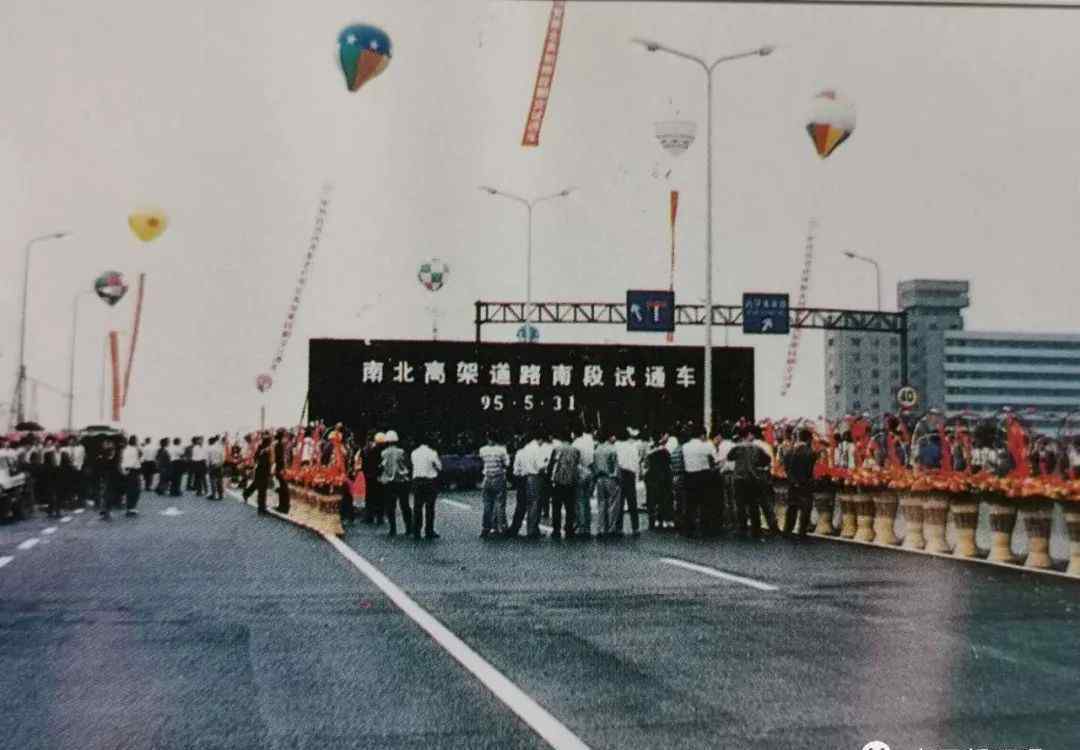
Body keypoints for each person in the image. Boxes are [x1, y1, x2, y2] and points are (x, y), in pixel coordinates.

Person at [728, 427, 776, 539]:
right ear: (749, 435)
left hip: (739, 479)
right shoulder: (757, 448)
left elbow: (729, 457)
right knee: (753, 505)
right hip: (752, 478)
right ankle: (756, 529)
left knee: (740, 505)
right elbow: (767, 460)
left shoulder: (736, 447)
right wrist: (757, 464)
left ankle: (742, 528)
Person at [681, 426, 714, 538]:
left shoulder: (685, 447)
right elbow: (713, 459)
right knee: (704, 503)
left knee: (690, 504)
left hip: (689, 475)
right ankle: (705, 528)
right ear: (702, 435)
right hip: (703, 475)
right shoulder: (705, 446)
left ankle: (689, 529)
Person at [782, 429, 816, 538]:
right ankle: (802, 532)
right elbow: (811, 470)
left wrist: (793, 480)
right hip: (805, 484)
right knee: (805, 509)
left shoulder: (789, 452)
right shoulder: (810, 453)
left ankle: (787, 531)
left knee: (791, 508)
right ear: (809, 439)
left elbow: (786, 469)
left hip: (792, 484)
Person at [547, 429, 581, 539]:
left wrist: (549, 479)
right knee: (570, 507)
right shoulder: (576, 450)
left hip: (558, 481)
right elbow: (576, 464)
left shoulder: (556, 449)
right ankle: (569, 529)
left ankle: (556, 530)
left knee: (556, 507)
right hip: (571, 481)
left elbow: (551, 465)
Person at [379, 431, 412, 536]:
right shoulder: (401, 452)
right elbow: (407, 464)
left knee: (390, 506)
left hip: (389, 482)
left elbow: (381, 466)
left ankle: (392, 529)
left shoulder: (383, 453)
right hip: (402, 481)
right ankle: (408, 528)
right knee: (405, 505)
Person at [478, 432, 510, 538]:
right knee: (500, 504)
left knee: (487, 504)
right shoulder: (502, 450)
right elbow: (507, 463)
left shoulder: (482, 450)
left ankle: (485, 527)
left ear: (488, 439)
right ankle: (501, 528)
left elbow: (482, 461)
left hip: (487, 478)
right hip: (498, 477)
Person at [410, 436, 442, 540]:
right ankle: (429, 530)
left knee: (417, 507)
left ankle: (416, 531)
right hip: (429, 481)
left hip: (417, 481)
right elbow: (439, 467)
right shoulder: (432, 453)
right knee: (430, 507)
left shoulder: (414, 453)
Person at [592, 432, 621, 538]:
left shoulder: (596, 450)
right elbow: (616, 466)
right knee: (613, 503)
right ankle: (611, 528)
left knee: (601, 504)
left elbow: (594, 465)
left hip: (599, 478)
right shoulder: (612, 450)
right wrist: (617, 478)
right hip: (610, 478)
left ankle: (601, 528)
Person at [614, 429, 642, 536]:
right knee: (632, 502)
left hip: (621, 473)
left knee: (619, 502)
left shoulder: (616, 446)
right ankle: (635, 527)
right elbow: (636, 462)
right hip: (631, 474)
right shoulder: (633, 446)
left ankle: (619, 527)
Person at [644, 434, 672, 530]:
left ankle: (653, 521)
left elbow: (646, 465)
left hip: (652, 478)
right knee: (663, 499)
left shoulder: (650, 453)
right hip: (663, 478)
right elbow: (669, 465)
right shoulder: (665, 451)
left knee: (652, 500)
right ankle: (663, 520)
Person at [572, 429, 596, 538]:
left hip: (580, 472)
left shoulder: (575, 444)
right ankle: (587, 526)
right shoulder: (590, 441)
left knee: (579, 501)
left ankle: (581, 527)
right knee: (587, 501)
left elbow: (575, 461)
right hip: (590, 472)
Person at [243, 436, 272, 514]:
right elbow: (262, 461)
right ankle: (261, 508)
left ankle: (246, 494)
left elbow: (256, 458)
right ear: (268, 443)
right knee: (262, 490)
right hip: (263, 472)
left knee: (256, 485)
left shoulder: (261, 449)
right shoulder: (264, 450)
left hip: (260, 471)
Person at [362, 432, 386, 525]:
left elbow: (364, 463)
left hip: (369, 476)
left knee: (369, 497)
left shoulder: (366, 449)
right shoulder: (381, 451)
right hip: (378, 476)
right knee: (380, 497)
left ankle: (369, 517)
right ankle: (379, 517)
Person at [121, 435, 142, 516]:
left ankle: (129, 507)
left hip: (127, 470)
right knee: (135, 490)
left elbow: (123, 460)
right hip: (133, 471)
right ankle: (131, 508)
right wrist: (129, 468)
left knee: (129, 489)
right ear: (135, 441)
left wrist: (124, 470)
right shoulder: (135, 450)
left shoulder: (125, 449)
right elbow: (135, 460)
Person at [273, 430, 291, 513]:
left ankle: (283, 507)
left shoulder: (279, 445)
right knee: (283, 488)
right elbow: (280, 459)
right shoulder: (280, 445)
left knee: (283, 488)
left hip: (280, 469)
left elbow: (280, 459)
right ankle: (283, 506)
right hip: (280, 468)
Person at [207, 435, 225, 500]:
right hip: (219, 465)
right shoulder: (220, 448)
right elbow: (223, 458)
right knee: (220, 480)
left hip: (213, 465)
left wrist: (208, 466)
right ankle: (221, 495)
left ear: (210, 442)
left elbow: (208, 459)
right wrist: (221, 464)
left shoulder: (210, 448)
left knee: (213, 481)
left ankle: (214, 495)